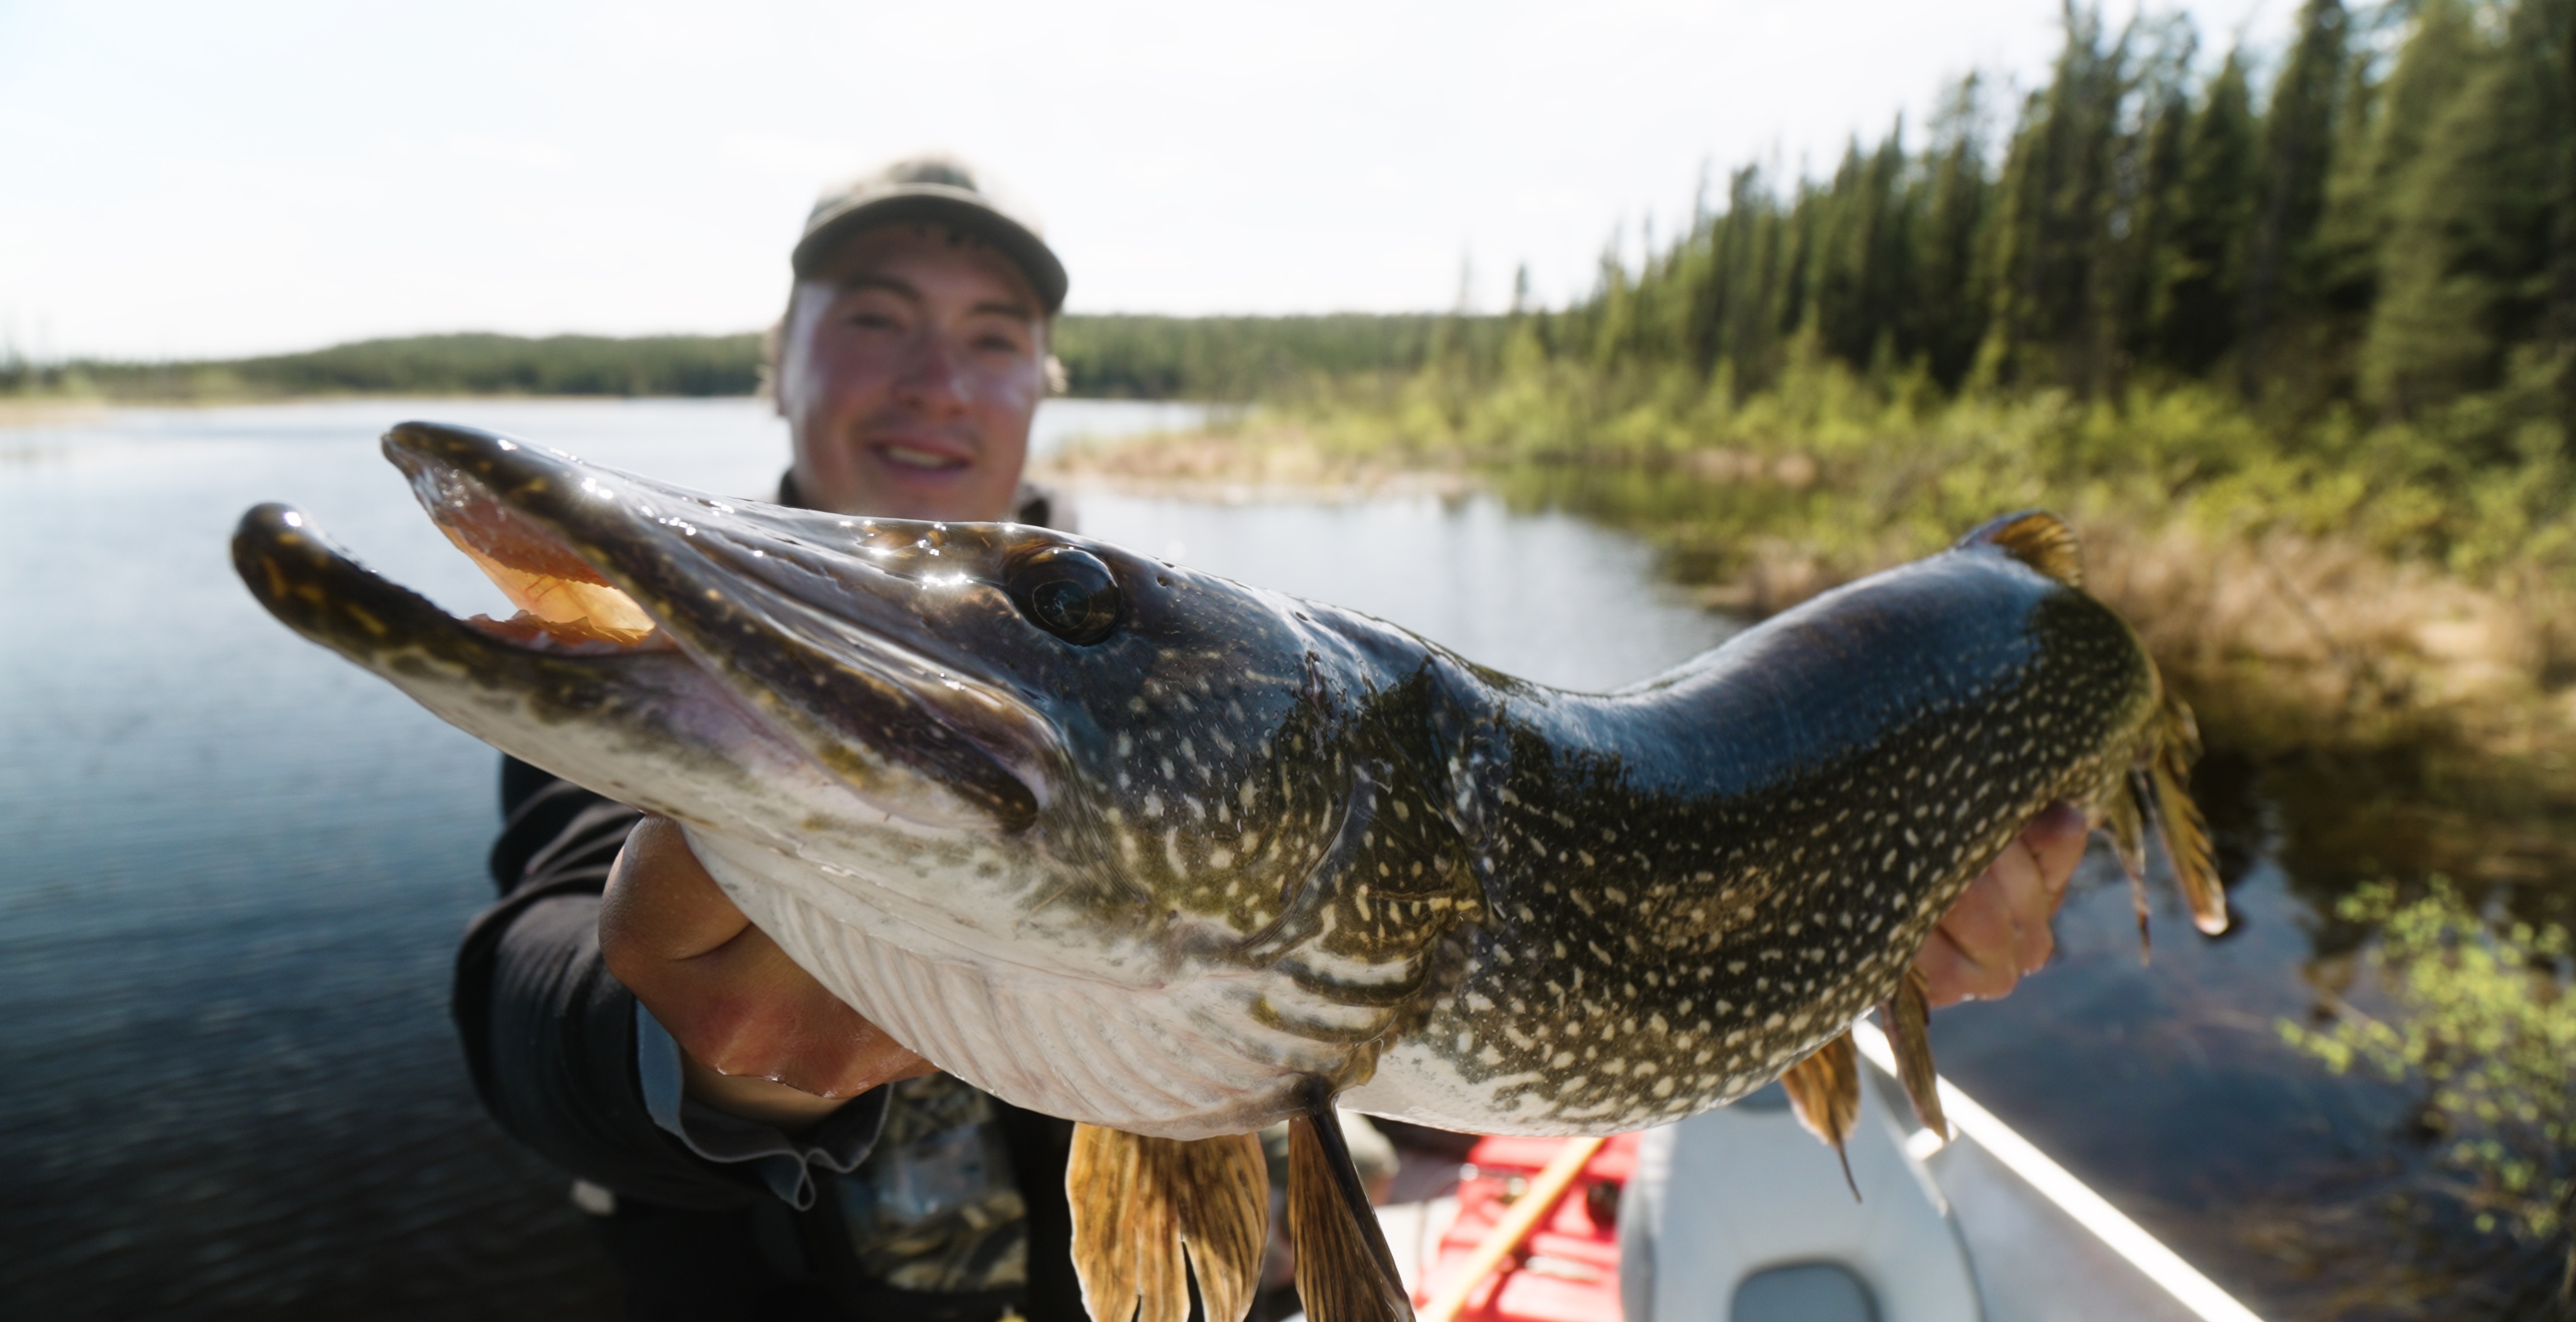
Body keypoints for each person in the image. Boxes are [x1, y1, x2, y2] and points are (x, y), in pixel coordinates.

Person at [452, 155, 2093, 1322]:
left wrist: (1826, 934)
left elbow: (1423, 994)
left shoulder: (1209, 659)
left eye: (993, 334)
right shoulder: (681, 649)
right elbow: (536, 995)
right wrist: (695, 1053)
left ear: (1043, 383)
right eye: (876, 318)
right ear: (781, 360)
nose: (935, 380)